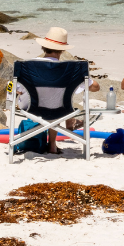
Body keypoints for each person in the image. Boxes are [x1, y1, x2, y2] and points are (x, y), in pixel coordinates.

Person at [17, 26, 100, 155]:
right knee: (55, 100)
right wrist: (89, 82)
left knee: (50, 98)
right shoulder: (70, 70)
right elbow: (95, 87)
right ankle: (52, 144)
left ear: (44, 46)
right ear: (62, 50)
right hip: (61, 109)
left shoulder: (28, 66)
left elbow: (13, 87)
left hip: (30, 108)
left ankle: (53, 139)